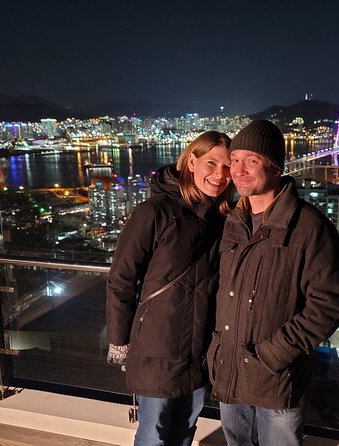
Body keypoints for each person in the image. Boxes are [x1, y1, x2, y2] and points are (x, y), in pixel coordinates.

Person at [206, 120, 339, 446]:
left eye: (251, 160)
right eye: (235, 160)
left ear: (274, 166)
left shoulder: (310, 227)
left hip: (277, 377)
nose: (239, 170)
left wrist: (273, 355)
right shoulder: (233, 221)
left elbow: (328, 304)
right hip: (230, 368)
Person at [106, 130, 234, 446]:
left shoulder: (220, 217)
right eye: (211, 163)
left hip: (200, 346)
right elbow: (122, 279)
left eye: (227, 167)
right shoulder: (155, 212)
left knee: (185, 428)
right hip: (157, 345)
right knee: (154, 433)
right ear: (191, 161)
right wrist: (119, 340)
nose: (219, 175)